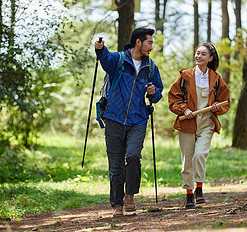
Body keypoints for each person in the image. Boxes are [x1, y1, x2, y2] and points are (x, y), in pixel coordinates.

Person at [94, 28, 164, 217]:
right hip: (114, 118)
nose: (152, 46)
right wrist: (100, 49)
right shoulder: (118, 60)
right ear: (138, 42)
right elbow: (105, 58)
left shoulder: (150, 67)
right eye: (149, 42)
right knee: (116, 164)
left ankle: (130, 196)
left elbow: (158, 93)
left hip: (138, 120)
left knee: (133, 156)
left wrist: (153, 93)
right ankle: (116, 204)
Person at [168, 43, 230, 208]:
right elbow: (174, 99)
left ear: (210, 58)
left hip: (206, 123)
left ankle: (199, 189)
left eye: (203, 54)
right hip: (187, 123)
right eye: (197, 53)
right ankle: (189, 194)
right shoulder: (185, 76)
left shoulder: (216, 78)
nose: (199, 56)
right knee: (187, 160)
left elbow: (225, 100)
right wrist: (185, 109)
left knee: (200, 155)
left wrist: (216, 105)